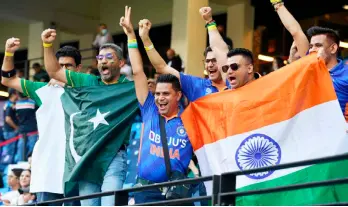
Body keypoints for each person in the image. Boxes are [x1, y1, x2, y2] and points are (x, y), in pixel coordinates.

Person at [41, 28, 132, 206]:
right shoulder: (88, 82)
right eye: (100, 58)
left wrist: (132, 36)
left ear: (121, 63)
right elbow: (54, 71)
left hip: (114, 155)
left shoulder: (129, 87)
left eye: (109, 57)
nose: (103, 61)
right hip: (88, 157)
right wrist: (47, 44)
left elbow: (140, 74)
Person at [120, 6, 193, 204]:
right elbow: (137, 72)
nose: (160, 98)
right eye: (158, 93)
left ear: (178, 95)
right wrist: (130, 36)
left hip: (176, 194)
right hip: (145, 191)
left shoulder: (191, 118)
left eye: (166, 94)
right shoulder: (150, 109)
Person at [1, 39, 82, 204]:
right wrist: (9, 53)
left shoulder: (89, 91)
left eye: (69, 66)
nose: (63, 71)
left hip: (78, 171)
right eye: (60, 67)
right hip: (49, 171)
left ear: (78, 68)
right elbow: (8, 80)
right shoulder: (44, 91)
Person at [138, 19, 229, 102]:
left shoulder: (236, 84)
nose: (210, 65)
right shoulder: (196, 85)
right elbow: (162, 67)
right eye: (207, 61)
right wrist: (145, 39)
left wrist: (210, 22)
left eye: (214, 60)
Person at [307, 26, 348, 119]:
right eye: (310, 46)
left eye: (318, 45)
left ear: (333, 48)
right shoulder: (308, 70)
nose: (312, 49)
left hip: (338, 131)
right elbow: (295, 32)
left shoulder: (346, 74)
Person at [1, 89, 19, 164]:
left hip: (8, 131)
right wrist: (16, 127)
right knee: (10, 152)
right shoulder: (9, 105)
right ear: (13, 94)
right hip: (10, 131)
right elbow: (8, 119)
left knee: (9, 151)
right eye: (17, 93)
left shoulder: (8, 104)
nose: (18, 95)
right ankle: (7, 170)